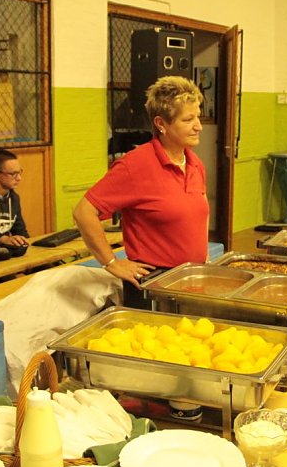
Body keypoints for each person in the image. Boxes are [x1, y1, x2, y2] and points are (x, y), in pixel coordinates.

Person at [73, 76, 208, 308]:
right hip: (154, 285)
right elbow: (83, 212)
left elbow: (199, 214)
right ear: (161, 124)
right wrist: (111, 262)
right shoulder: (135, 166)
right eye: (188, 119)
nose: (199, 126)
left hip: (191, 279)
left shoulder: (194, 163)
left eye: (198, 116)